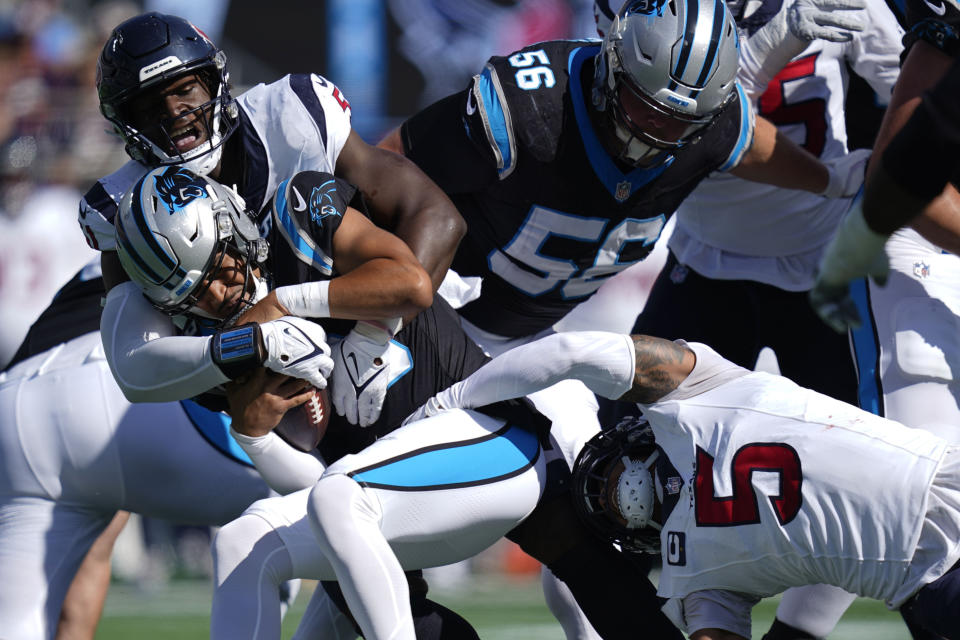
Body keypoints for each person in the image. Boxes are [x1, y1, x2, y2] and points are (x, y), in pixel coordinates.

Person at [115, 166, 685, 640]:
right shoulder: (224, 354)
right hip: (382, 499)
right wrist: (254, 436)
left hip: (485, 436)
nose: (220, 295)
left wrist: (289, 303)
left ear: (235, 227)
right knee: (245, 543)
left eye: (218, 268)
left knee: (587, 572)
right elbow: (311, 485)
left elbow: (410, 283)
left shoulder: (299, 216)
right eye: (196, 293)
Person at [403, 329, 960, 640]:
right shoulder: (694, 396)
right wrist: (452, 399)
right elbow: (568, 351)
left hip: (929, 590)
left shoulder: (695, 579)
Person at [80, 10, 465, 426]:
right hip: (276, 387)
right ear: (126, 125)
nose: (175, 115)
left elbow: (436, 216)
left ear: (214, 81)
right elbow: (134, 363)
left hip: (395, 334)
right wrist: (254, 342)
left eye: (184, 90)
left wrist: (375, 332)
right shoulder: (124, 211)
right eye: (148, 107)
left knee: (300, 204)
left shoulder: (292, 118)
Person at [0, 258, 284, 640]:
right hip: (124, 391)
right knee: (327, 496)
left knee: (17, 622)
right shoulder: (209, 236)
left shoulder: (112, 251)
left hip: (17, 404)